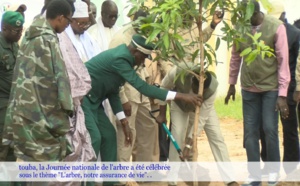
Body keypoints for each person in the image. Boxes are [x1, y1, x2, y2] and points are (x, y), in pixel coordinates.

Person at [81, 34, 202, 172]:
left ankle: (111, 181)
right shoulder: (120, 59)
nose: (143, 62)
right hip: (83, 98)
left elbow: (113, 91)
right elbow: (143, 87)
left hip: (95, 101)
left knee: (109, 136)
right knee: (95, 138)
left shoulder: (126, 58)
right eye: (143, 58)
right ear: (135, 52)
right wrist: (180, 96)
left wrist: (124, 121)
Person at [225, 0, 290, 185]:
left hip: (270, 88)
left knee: (270, 129)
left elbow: (283, 61)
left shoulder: (276, 27)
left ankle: (273, 171)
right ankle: (254, 175)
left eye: (244, 15)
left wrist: (282, 94)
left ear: (254, 12)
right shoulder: (240, 29)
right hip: (248, 88)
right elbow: (236, 57)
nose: (241, 19)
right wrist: (231, 83)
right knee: (250, 132)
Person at [2, 0, 74, 163]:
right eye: (68, 21)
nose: (67, 26)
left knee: (24, 157)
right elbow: (61, 79)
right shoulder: (49, 39)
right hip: (42, 114)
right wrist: (68, 110)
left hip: (22, 110)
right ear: (61, 18)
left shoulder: (29, 35)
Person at [156, 63, 238, 186]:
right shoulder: (178, 72)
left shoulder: (212, 88)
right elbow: (163, 88)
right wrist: (162, 113)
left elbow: (200, 120)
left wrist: (189, 145)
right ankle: (172, 180)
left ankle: (230, 179)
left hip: (202, 107)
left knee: (217, 137)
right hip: (180, 104)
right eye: (195, 89)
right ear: (192, 81)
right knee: (177, 134)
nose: (197, 92)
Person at [109, 9, 162, 164]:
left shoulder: (145, 35)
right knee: (127, 133)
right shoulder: (120, 38)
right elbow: (114, 72)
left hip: (141, 90)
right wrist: (123, 99)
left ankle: (143, 172)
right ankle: (123, 177)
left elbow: (143, 63)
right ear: (135, 21)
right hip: (126, 93)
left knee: (149, 127)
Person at [260, 0, 300, 175]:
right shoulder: (265, 32)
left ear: (284, 16)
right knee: (266, 127)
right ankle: (269, 163)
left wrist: (296, 88)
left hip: (288, 88)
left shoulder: (295, 34)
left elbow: (297, 64)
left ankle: (291, 168)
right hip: (268, 87)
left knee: (289, 128)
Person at [0, 11, 24, 162]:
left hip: (14, 105)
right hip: (2, 106)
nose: (20, 34)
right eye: (16, 31)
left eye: (21, 30)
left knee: (12, 150)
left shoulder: (15, 45)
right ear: (4, 28)